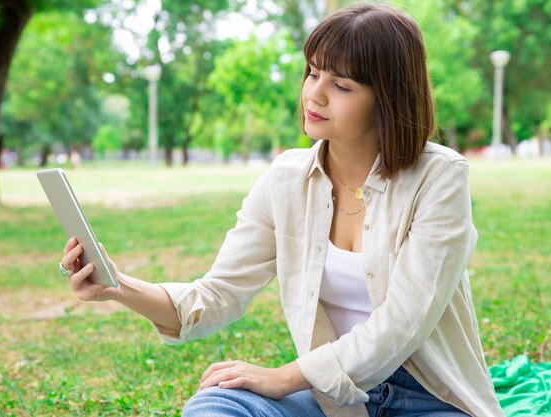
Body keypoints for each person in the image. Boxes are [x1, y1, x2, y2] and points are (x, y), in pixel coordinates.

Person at [59, 3, 504, 416]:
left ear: (388, 97)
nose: (315, 95)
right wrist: (117, 286)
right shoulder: (287, 178)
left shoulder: (440, 176)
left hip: (431, 398)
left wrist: (284, 377)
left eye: (341, 85)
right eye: (312, 74)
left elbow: (401, 326)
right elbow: (217, 295)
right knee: (216, 406)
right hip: (333, 401)